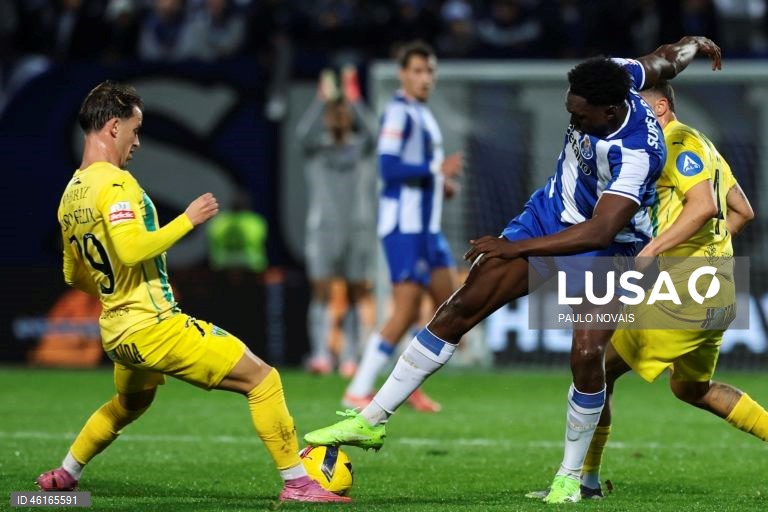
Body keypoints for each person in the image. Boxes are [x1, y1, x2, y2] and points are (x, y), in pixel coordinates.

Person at [304, 36, 722, 504]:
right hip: (549, 214)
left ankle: (569, 476)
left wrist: (512, 248)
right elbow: (663, 61)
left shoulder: (639, 154)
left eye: (581, 117)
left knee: (587, 354)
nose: (573, 120)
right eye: (570, 110)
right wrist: (693, 45)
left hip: (613, 249)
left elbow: (599, 232)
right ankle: (373, 419)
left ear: (609, 112)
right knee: (462, 305)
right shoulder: (618, 77)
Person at [36, 81, 349, 503]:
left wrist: (114, 288)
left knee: (129, 405)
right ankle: (298, 483)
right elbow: (129, 250)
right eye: (134, 129)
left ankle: (67, 473)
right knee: (263, 379)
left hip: (116, 332)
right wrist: (187, 219)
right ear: (112, 127)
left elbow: (74, 275)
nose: (138, 141)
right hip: (154, 326)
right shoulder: (115, 185)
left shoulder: (70, 195)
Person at [568, 81, 767, 500]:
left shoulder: (674, 143)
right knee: (691, 389)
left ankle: (584, 481)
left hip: (686, 293)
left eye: (636, 108)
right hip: (718, 288)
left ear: (660, 107)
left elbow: (705, 207)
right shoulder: (705, 144)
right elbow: (742, 212)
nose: (629, 116)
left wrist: (657, 250)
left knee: (595, 367)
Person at [340, 41, 463, 413]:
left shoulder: (421, 113)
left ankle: (406, 382)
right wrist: (434, 172)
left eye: (430, 71)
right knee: (406, 309)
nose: (425, 78)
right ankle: (358, 389)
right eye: (417, 71)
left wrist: (440, 186)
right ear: (403, 74)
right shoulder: (397, 113)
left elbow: (420, 172)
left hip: (428, 227)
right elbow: (388, 168)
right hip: (405, 227)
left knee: (449, 304)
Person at [296, 66, 377, 378]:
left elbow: (374, 131)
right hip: (323, 229)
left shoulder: (363, 148)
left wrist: (354, 99)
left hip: (358, 227)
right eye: (334, 113)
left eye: (343, 113)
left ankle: (351, 357)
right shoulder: (316, 148)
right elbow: (301, 133)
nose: (339, 117)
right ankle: (320, 354)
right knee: (321, 291)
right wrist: (321, 101)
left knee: (357, 290)